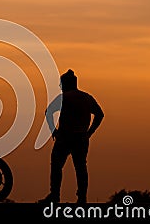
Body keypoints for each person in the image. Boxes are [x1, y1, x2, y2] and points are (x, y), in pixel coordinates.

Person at [39, 69, 104, 204]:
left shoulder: (64, 98)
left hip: (64, 137)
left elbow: (48, 112)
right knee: (80, 168)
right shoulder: (87, 97)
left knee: (56, 166)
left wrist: (53, 131)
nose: (60, 87)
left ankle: (55, 196)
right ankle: (82, 198)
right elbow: (100, 114)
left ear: (66, 84)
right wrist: (89, 132)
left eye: (61, 84)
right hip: (81, 138)